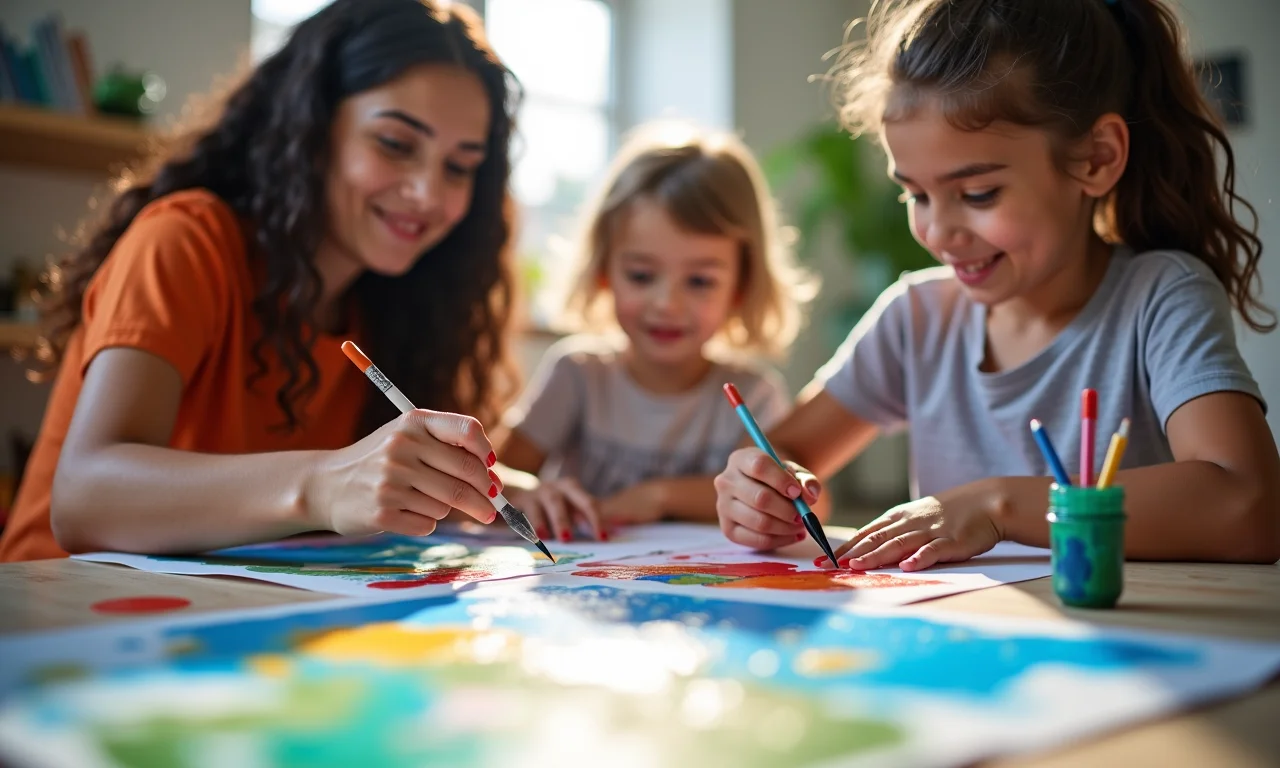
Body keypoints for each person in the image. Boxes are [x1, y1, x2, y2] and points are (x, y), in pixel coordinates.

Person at [714, 0, 1280, 567]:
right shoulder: (916, 317)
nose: (938, 231)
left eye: (978, 194)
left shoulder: (1161, 296)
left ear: (1096, 158)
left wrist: (996, 504)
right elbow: (782, 449)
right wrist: (758, 489)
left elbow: (1250, 507)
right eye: (916, 194)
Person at [0, 0, 523, 562]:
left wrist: (504, 493)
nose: (427, 193)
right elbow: (84, 501)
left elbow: (378, 478)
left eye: (460, 166)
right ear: (312, 127)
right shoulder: (188, 241)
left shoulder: (391, 308)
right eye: (395, 144)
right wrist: (323, 485)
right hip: (62, 618)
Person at [496, 123, 813, 542]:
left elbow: (795, 505)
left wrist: (658, 496)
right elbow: (495, 478)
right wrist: (534, 492)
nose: (667, 304)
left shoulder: (752, 394)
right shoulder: (576, 374)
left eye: (699, 281)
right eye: (642, 275)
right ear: (605, 269)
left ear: (741, 285)